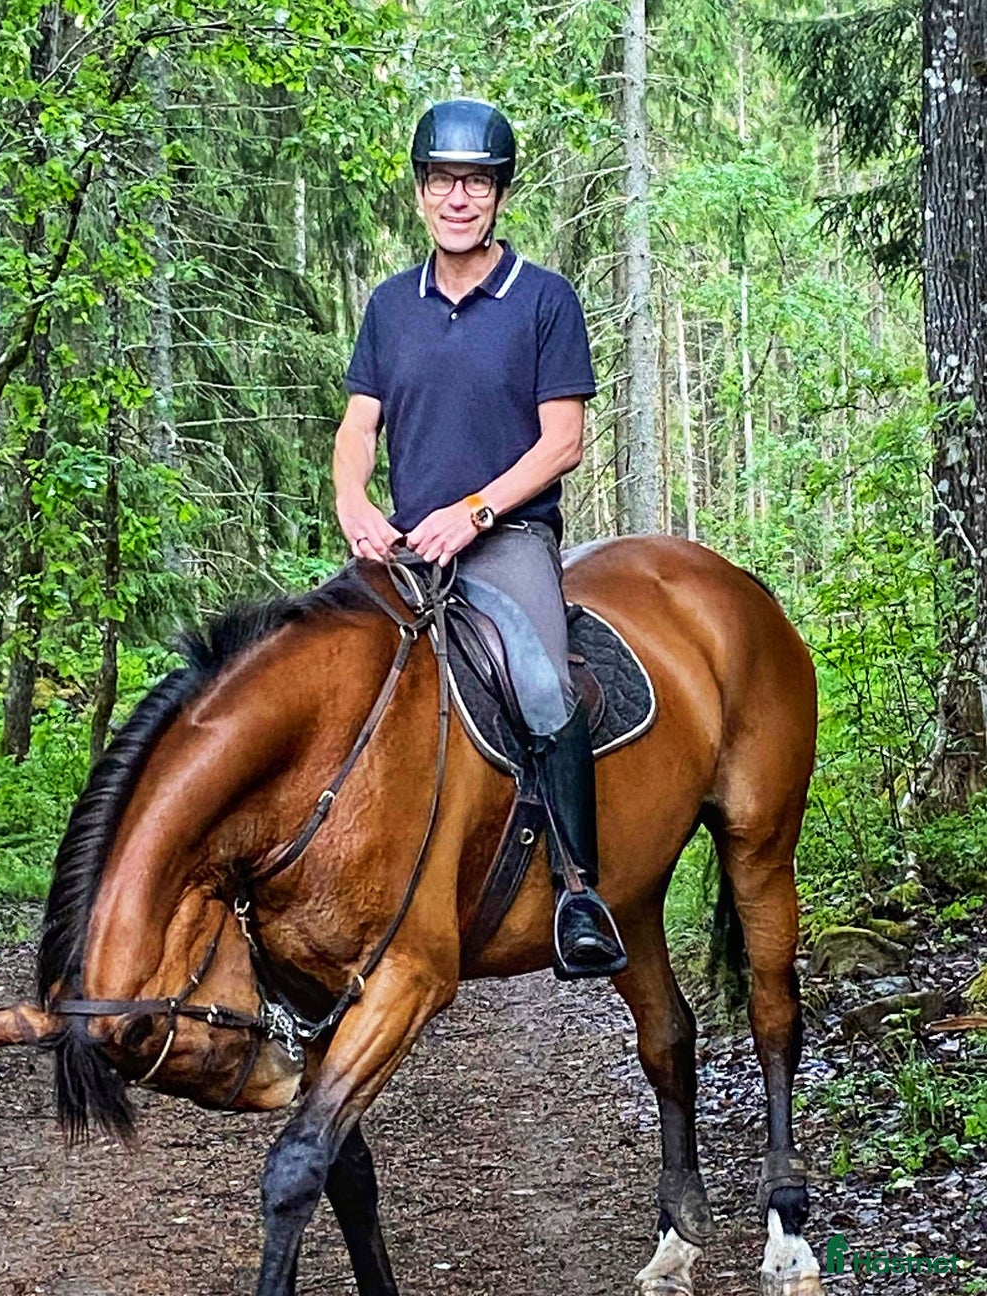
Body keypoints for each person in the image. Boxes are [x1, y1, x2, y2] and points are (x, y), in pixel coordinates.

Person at [332, 98, 627, 981]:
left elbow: (562, 440)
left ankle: (580, 890)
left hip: (505, 538)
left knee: (542, 689)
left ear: (498, 194)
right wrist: (352, 499)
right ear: (421, 193)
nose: (458, 198)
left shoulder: (542, 298)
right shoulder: (390, 306)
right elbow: (359, 424)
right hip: (405, 545)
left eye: (476, 182)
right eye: (442, 181)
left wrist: (476, 512)